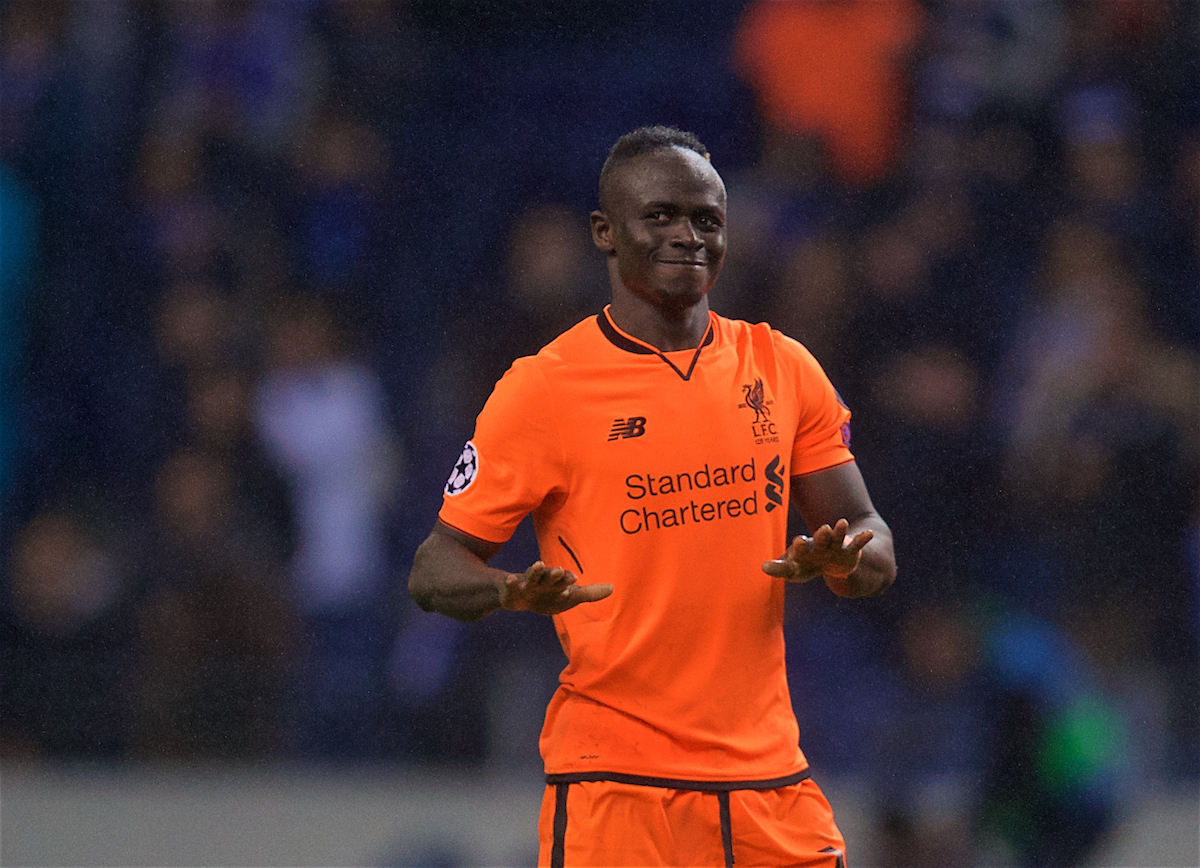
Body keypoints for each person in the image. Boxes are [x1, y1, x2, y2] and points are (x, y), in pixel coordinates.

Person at [408, 126, 896, 868]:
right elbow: (434, 568)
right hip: (616, 784)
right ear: (604, 233)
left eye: (707, 219)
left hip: (769, 781)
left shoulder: (783, 367)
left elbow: (871, 539)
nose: (688, 236)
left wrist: (844, 557)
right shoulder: (544, 388)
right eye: (661, 215)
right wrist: (510, 591)